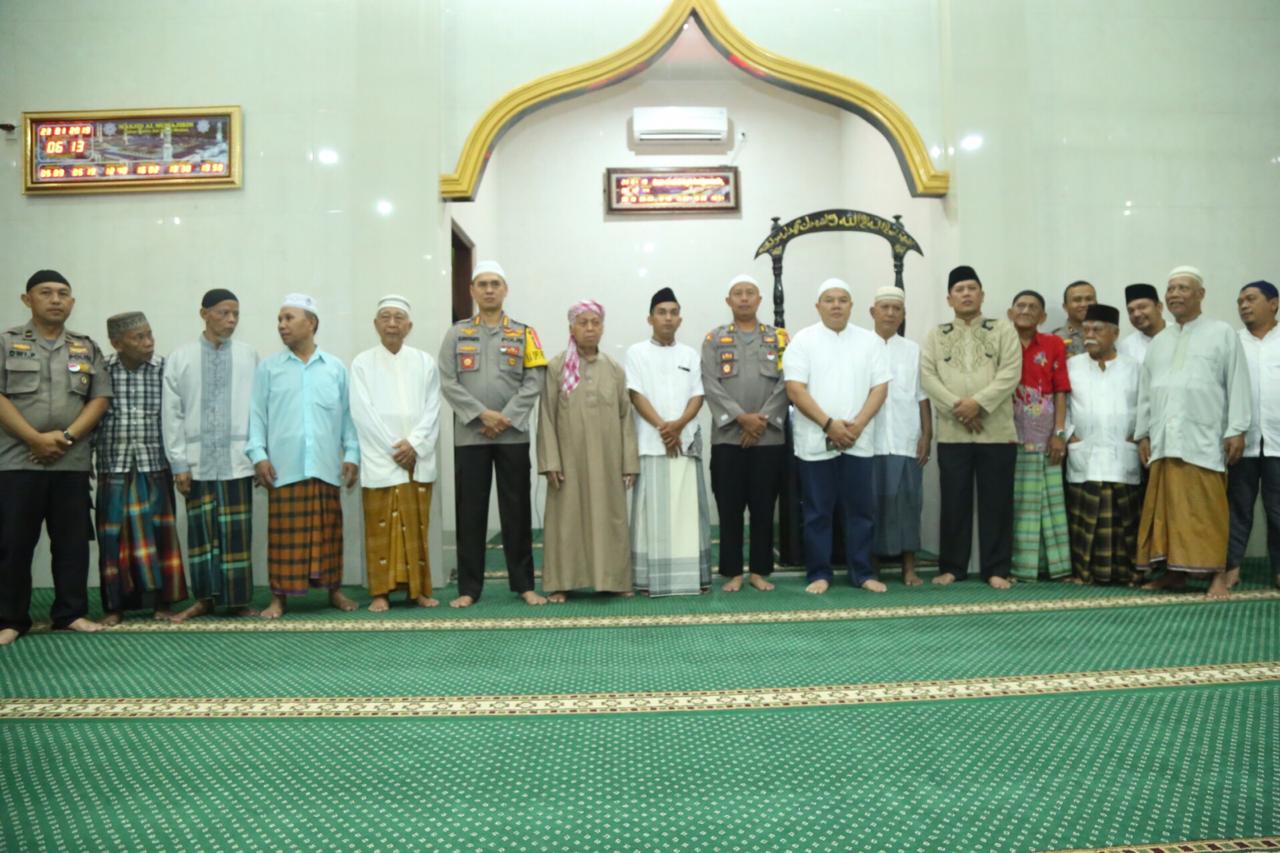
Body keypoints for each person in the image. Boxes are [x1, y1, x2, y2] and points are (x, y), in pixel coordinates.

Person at [0, 270, 111, 645]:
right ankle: (10, 619)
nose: (55, 299)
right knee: (13, 542)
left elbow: (99, 398)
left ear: (72, 303)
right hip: (17, 460)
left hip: (71, 460)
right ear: (26, 299)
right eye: (45, 292)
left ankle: (71, 613)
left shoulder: (86, 347)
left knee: (72, 542)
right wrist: (33, 438)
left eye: (63, 293)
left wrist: (64, 437)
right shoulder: (7, 343)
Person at [1135, 266, 1252, 599]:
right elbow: (1147, 392)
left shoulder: (1222, 333)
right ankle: (1175, 574)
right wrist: (1142, 434)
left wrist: (1237, 429)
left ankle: (1217, 576)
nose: (1175, 294)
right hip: (1164, 439)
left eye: (1183, 288)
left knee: (1208, 513)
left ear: (1201, 294)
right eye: (1170, 289)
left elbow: (1237, 382)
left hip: (1204, 438)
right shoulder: (1160, 341)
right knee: (1169, 513)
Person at [438, 261, 547, 608]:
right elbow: (447, 380)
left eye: (495, 284)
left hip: (512, 435)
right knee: (471, 513)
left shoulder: (524, 333)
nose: (488, 289)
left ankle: (524, 585)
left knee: (516, 511)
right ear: (471, 291)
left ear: (505, 290)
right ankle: (469, 589)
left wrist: (506, 417)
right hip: (471, 436)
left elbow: (534, 381)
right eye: (482, 284)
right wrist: (480, 414)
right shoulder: (456, 334)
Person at [246, 293, 360, 618]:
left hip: (324, 467)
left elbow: (348, 418)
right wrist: (259, 455)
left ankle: (333, 591)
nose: (281, 325)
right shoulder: (269, 368)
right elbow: (256, 417)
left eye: (289, 318)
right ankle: (278, 598)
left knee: (328, 534)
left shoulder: (335, 369)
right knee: (284, 539)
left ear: (310, 323)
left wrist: (351, 454)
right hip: (284, 468)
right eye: (279, 320)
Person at [784, 279, 891, 594]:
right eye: (829, 300)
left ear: (851, 305)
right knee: (817, 511)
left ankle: (863, 572)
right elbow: (795, 389)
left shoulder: (870, 342)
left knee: (860, 511)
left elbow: (880, 387)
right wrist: (828, 424)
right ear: (818, 306)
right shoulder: (802, 341)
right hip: (816, 440)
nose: (836, 305)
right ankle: (819, 573)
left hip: (859, 439)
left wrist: (856, 425)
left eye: (842, 299)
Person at [920, 265, 1021, 589]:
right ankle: (952, 567)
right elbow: (928, 377)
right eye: (959, 289)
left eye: (971, 288)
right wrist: (960, 408)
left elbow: (1010, 373)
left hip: (997, 430)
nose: (965, 294)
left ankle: (996, 569)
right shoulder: (937, 335)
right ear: (949, 298)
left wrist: (978, 403)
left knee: (997, 503)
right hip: (953, 432)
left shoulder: (1003, 330)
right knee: (954, 502)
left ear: (982, 295)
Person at [163, 288, 260, 622]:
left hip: (238, 462)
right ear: (204, 313)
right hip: (196, 463)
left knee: (237, 533)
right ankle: (203, 600)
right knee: (201, 535)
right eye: (223, 313)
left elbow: (260, 411)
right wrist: (178, 462)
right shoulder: (181, 357)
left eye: (235, 314)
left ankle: (238, 600)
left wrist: (259, 455)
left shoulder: (249, 356)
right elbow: (171, 414)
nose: (231, 320)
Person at [538, 300, 639, 602]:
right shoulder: (556, 367)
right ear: (571, 328)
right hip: (568, 460)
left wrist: (629, 462)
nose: (590, 328)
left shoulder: (614, 369)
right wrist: (550, 461)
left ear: (603, 327)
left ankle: (614, 579)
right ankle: (562, 581)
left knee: (611, 518)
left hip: (608, 460)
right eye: (583, 322)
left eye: (595, 322)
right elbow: (546, 415)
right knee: (566, 520)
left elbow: (626, 418)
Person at [94, 312, 187, 624]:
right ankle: (115, 606)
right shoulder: (101, 370)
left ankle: (163, 603)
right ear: (117, 343)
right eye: (139, 338)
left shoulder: (164, 369)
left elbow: (176, 417)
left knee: (160, 536)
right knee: (113, 539)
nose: (148, 343)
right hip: (114, 467)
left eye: (150, 335)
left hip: (154, 466)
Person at [350, 295, 441, 612]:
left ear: (409, 326)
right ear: (376, 324)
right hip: (381, 458)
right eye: (385, 317)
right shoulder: (362, 363)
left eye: (398, 317)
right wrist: (395, 447)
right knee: (380, 527)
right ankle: (381, 592)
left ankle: (418, 591)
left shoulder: (425, 362)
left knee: (416, 527)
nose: (392, 323)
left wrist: (414, 444)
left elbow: (432, 410)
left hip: (417, 458)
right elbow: (363, 413)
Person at [700, 274, 789, 592]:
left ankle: (760, 570)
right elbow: (710, 385)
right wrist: (741, 419)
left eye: (750, 293)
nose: (744, 298)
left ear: (760, 300)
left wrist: (760, 421)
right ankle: (733, 570)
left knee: (764, 505)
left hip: (768, 438)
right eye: (737, 293)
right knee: (730, 506)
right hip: (728, 438)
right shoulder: (714, 339)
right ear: (728, 301)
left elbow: (786, 383)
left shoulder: (779, 338)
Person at [626, 287, 711, 597]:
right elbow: (636, 394)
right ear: (650, 318)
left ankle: (687, 581)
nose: (668, 318)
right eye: (662, 312)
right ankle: (649, 582)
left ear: (680, 319)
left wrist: (678, 427)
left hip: (683, 445)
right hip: (651, 444)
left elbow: (697, 395)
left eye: (673, 313)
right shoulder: (636, 352)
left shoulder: (689, 354)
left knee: (685, 514)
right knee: (652, 517)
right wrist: (664, 427)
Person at [1065, 304, 1143, 584]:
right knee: (1086, 521)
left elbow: (1145, 405)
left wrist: (1140, 433)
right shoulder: (1072, 366)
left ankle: (1128, 573)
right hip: (1085, 451)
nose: (1089, 335)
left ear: (1115, 333)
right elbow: (1062, 406)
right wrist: (1069, 433)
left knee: (1125, 521)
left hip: (1122, 453)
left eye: (1097, 330)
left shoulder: (1134, 368)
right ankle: (1085, 574)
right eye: (1086, 330)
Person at [868, 285, 931, 586]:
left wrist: (926, 435)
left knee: (908, 503)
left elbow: (922, 396)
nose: (890, 313)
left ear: (903, 314)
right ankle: (872, 568)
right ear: (873, 312)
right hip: (869, 441)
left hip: (906, 438)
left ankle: (909, 568)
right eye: (885, 308)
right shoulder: (861, 347)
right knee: (872, 504)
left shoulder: (914, 350)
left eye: (897, 309)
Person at [1007, 290, 1072, 580]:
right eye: (1020, 305)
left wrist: (1059, 433)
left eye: (1033, 307)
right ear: (1010, 313)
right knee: (1019, 501)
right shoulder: (1000, 342)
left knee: (1048, 499)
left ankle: (1053, 567)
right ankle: (1020, 566)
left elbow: (1060, 389)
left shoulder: (1054, 343)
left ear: (1043, 316)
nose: (1026, 310)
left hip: (1045, 433)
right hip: (1007, 433)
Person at [1227, 280, 1280, 589]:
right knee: (1238, 508)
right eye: (1240, 301)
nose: (1244, 305)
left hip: (1278, 442)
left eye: (1251, 299)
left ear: (1273, 303)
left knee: (1277, 510)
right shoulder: (1232, 343)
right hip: (1240, 441)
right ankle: (1231, 566)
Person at [1117, 283, 1166, 365]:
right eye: (1131, 311)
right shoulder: (1126, 346)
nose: (1136, 314)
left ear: (1159, 307)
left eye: (1142, 307)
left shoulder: (1180, 334)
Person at [1052, 280, 1097, 356]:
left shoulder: (1105, 336)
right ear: (1065, 307)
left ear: (1096, 303)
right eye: (1077, 300)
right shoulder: (1056, 339)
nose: (1084, 304)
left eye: (1089, 299)